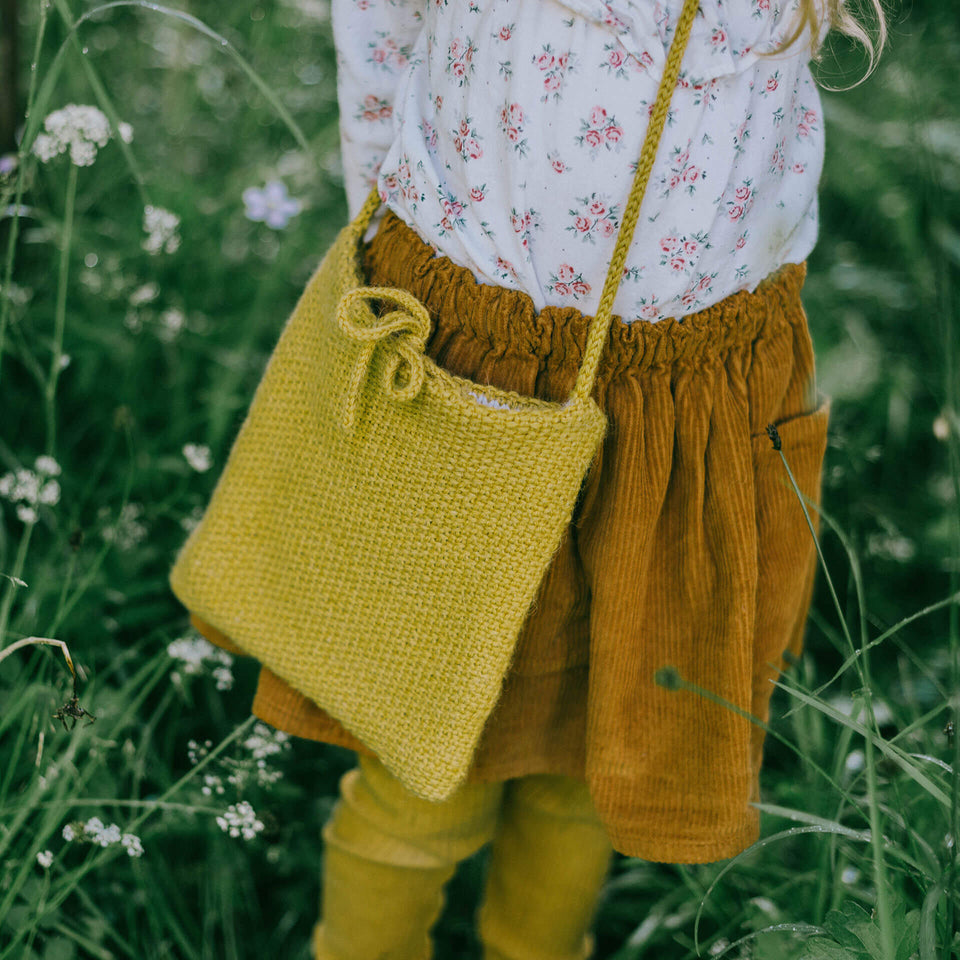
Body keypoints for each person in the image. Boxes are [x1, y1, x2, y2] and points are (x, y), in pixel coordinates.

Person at [188, 0, 886, 957]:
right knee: (423, 759)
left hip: (695, 399)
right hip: (477, 363)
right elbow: (380, 33)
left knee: (598, 748)